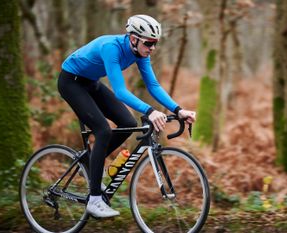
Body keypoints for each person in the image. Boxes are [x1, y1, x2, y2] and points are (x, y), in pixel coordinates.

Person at [57, 14, 196, 218]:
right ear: (134, 39)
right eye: (149, 43)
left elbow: (153, 85)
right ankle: (94, 200)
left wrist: (178, 110)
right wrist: (149, 111)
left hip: (90, 82)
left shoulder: (141, 53)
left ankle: (88, 164)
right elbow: (121, 92)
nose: (152, 48)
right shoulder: (111, 47)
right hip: (71, 82)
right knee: (103, 130)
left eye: (155, 43)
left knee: (128, 123)